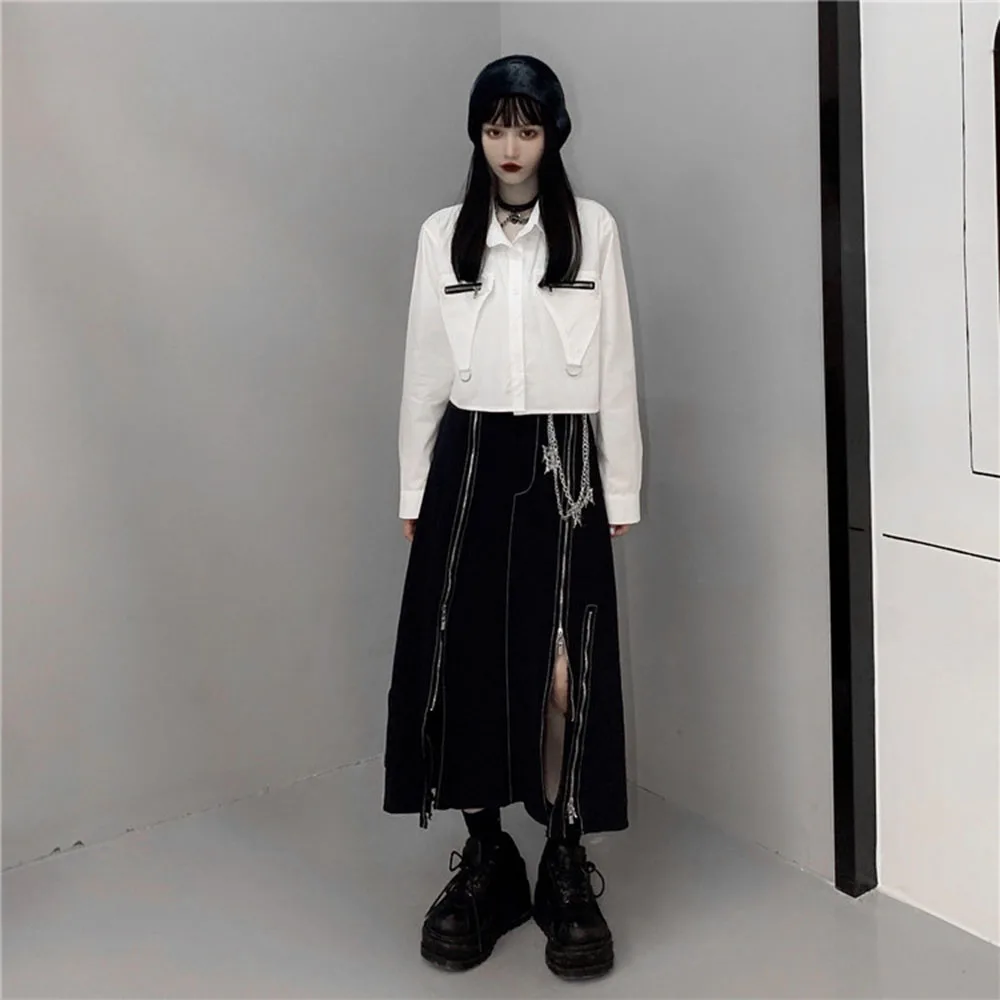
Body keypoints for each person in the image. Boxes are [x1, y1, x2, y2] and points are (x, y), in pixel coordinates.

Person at [382, 54, 643, 982]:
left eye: (526, 129)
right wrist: (414, 490)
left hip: (564, 465)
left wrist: (623, 485)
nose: (510, 147)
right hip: (468, 462)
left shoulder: (592, 230)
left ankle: (564, 856)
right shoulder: (442, 235)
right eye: (495, 128)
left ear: (552, 135)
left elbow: (615, 361)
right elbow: (423, 366)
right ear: (477, 134)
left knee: (566, 664)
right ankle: (488, 856)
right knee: (464, 653)